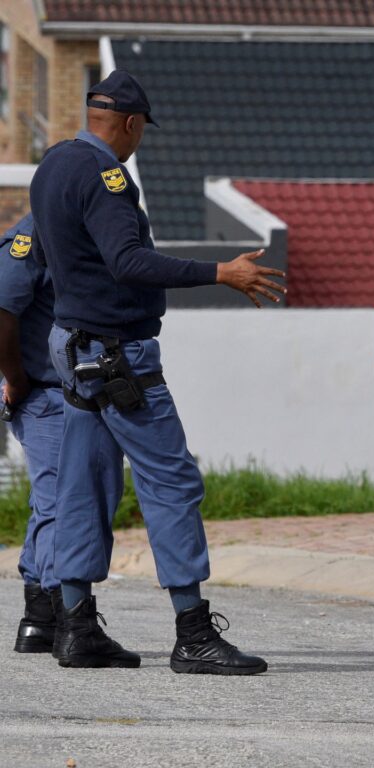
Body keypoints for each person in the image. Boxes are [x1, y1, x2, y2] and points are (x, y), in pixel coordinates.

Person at [29, 70, 285, 673]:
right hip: (118, 355)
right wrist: (220, 273)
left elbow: (50, 256)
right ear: (131, 123)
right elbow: (128, 261)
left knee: (81, 487)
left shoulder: (52, 165)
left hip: (73, 348)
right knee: (171, 483)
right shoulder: (107, 178)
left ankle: (76, 626)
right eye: (141, 130)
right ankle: (193, 633)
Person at [0, 212, 64, 655]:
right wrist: (16, 379)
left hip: (71, 390)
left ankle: (41, 617)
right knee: (60, 498)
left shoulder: (79, 226)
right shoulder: (30, 235)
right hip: (40, 391)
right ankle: (58, 614)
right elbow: (2, 311)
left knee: (55, 498)